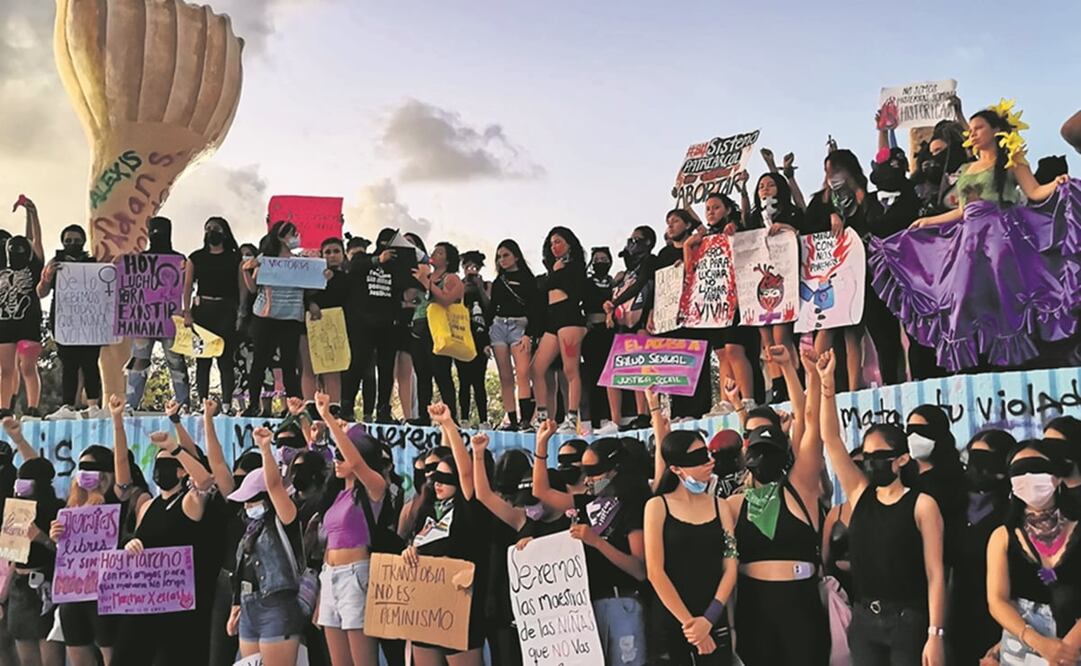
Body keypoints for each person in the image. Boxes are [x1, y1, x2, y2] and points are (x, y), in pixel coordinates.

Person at [871, 101, 1078, 373]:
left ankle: (1012, 359)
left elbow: (1034, 191)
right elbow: (962, 211)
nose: (973, 132)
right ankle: (977, 362)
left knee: (1004, 295)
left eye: (979, 127)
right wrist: (929, 220)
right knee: (962, 296)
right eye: (972, 128)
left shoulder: (1011, 160)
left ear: (995, 131)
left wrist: (1057, 183)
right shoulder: (968, 168)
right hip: (968, 241)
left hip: (1000, 237)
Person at [819, 350, 946, 666]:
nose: (871, 462)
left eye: (880, 456)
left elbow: (935, 573)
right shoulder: (861, 493)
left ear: (902, 459)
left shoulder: (922, 504)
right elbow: (830, 439)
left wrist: (935, 634)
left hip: (908, 620)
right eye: (867, 456)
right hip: (864, 619)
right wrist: (826, 387)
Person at [726, 348, 827, 666]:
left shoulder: (801, 489)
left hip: (801, 605)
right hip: (753, 608)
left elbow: (811, 424)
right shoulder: (733, 504)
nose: (762, 459)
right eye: (756, 452)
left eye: (770, 452)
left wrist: (798, 372)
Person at [532, 426, 649, 666]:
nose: (587, 479)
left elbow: (640, 569)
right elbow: (541, 491)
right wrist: (541, 445)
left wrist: (597, 542)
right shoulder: (589, 502)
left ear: (615, 468)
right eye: (584, 472)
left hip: (622, 602)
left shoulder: (635, 503)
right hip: (587, 607)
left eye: (594, 472)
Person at [110, 428, 213, 666]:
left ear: (181, 470)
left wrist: (174, 447)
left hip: (176, 606)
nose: (160, 469)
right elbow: (135, 538)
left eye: (167, 463)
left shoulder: (189, 502)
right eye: (158, 463)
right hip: (142, 602)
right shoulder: (148, 505)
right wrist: (130, 544)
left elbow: (205, 482)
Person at [472, 438, 571, 666]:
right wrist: (478, 454)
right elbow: (484, 495)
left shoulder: (573, 521)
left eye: (536, 501)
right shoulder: (522, 519)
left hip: (563, 619)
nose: (531, 508)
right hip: (524, 616)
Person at [403, 404, 489, 666]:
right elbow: (417, 546)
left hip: (459, 609)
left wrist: (448, 425)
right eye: (435, 477)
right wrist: (410, 552)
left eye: (445, 478)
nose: (438, 482)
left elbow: (465, 473)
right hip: (425, 610)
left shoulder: (469, 510)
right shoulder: (427, 511)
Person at [644, 428, 739, 665]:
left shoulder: (721, 506)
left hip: (713, 616)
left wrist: (708, 620)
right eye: (697, 459)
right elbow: (655, 572)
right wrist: (691, 625)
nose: (709, 462)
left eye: (707, 454)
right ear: (676, 468)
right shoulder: (657, 506)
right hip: (671, 621)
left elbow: (730, 566)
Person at [986, 440, 1081, 665]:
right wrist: (1038, 642)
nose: (1028, 477)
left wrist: (1068, 647)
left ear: (1057, 476)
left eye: (1037, 468)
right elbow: (997, 600)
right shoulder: (1002, 536)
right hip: (1021, 650)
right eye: (1019, 471)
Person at [312, 392, 388, 666]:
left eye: (341, 455)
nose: (337, 460)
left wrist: (328, 418)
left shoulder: (374, 488)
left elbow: (355, 462)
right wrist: (321, 595)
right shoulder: (336, 495)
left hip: (356, 575)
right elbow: (328, 543)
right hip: (330, 575)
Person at [225, 428, 304, 666]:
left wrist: (265, 449)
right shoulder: (250, 528)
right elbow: (243, 569)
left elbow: (275, 486)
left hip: (277, 605)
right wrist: (236, 605)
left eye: (251, 499)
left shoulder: (284, 519)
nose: (247, 506)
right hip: (249, 606)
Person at [803, 150, 876, 391]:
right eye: (827, 171)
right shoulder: (820, 201)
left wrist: (860, 201)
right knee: (826, 326)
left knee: (854, 330)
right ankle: (815, 385)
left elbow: (873, 226)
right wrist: (830, 216)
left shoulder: (864, 198)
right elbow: (808, 229)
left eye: (835, 170)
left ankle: (854, 388)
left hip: (857, 272)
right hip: (828, 274)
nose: (831, 176)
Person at [685, 192, 757, 410]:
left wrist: (735, 230)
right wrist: (688, 246)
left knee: (734, 349)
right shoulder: (704, 238)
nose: (711, 212)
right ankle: (727, 401)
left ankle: (748, 398)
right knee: (721, 353)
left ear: (727, 210)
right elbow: (690, 271)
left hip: (734, 300)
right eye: (707, 208)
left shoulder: (736, 228)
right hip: (711, 303)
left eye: (716, 207)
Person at [948, 429, 1014, 666]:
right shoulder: (954, 507)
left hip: (997, 621)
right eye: (972, 459)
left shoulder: (1011, 514)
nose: (976, 468)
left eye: (984, 460)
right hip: (957, 617)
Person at [4, 426, 64, 666]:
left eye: (26, 480)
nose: (20, 484)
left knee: (49, 656)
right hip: (19, 587)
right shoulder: (16, 509)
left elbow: (66, 553)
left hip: (44, 585)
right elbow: (11, 557)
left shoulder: (57, 508)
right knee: (26, 658)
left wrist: (42, 538)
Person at [744, 172, 804, 402]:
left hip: (786, 282)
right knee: (767, 340)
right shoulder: (754, 218)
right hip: (760, 286)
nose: (765, 189)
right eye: (761, 186)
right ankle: (778, 385)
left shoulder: (790, 213)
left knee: (782, 336)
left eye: (770, 185)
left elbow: (802, 234)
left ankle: (794, 380)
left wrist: (786, 228)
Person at [38, 224, 104, 420]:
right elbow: (40, 292)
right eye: (68, 241)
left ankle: (94, 406)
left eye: (76, 241)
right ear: (62, 242)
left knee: (90, 363)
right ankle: (67, 406)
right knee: (69, 364)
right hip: (64, 322)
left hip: (90, 321)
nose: (72, 244)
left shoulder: (93, 263)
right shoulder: (55, 263)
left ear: (83, 242)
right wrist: (47, 276)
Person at [124, 216, 191, 411]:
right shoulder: (140, 259)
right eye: (154, 231)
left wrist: (185, 271)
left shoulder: (180, 260)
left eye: (161, 231)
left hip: (170, 320)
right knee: (139, 360)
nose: (157, 235)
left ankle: (183, 404)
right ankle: (131, 404)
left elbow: (188, 286)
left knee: (176, 361)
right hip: (145, 319)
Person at [240, 222, 305, 417]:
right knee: (260, 361)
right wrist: (246, 270)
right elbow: (253, 288)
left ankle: (294, 407)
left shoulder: (301, 262)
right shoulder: (265, 260)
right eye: (293, 234)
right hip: (265, 316)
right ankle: (253, 404)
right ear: (281, 237)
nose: (296, 237)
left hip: (291, 316)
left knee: (289, 363)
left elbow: (310, 285)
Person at [532, 227, 588, 434]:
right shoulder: (553, 266)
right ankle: (542, 417)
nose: (554, 246)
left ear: (569, 244)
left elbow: (572, 289)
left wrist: (556, 273)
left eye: (558, 242)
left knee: (570, 369)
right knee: (537, 368)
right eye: (551, 243)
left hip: (569, 317)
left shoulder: (576, 266)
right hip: (552, 318)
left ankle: (572, 418)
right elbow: (543, 286)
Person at [657, 209, 711, 420]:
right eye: (668, 222)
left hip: (696, 313)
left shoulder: (700, 245)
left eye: (676, 221)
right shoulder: (664, 254)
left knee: (697, 360)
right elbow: (658, 287)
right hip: (671, 316)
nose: (670, 226)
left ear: (688, 224)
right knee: (676, 362)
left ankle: (698, 410)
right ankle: (678, 410)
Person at [183, 217, 241, 411]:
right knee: (203, 359)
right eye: (207, 228)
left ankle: (226, 404)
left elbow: (241, 285)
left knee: (225, 360)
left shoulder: (234, 257)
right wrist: (187, 312)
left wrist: (241, 311)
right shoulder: (196, 257)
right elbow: (188, 286)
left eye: (215, 228)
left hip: (226, 309)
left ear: (224, 232)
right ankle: (203, 403)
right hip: (203, 311)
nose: (211, 231)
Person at [603, 226, 657, 432]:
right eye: (629, 241)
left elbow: (642, 284)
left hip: (641, 320)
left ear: (647, 243)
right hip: (622, 323)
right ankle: (615, 420)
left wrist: (614, 303)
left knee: (641, 367)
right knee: (614, 370)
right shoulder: (624, 275)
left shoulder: (650, 262)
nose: (631, 246)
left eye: (636, 240)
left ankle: (644, 413)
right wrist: (610, 306)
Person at [343, 228, 399, 423]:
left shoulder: (396, 266)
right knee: (357, 365)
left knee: (386, 368)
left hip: (388, 324)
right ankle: (347, 407)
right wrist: (377, 260)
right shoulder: (363, 259)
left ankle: (383, 409)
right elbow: (355, 266)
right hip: (362, 323)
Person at [409, 242, 464, 425]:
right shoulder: (425, 275)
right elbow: (412, 299)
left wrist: (427, 283)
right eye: (434, 250)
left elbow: (446, 300)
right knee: (422, 374)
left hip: (438, 330)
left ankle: (451, 417)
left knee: (441, 373)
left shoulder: (451, 278)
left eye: (440, 253)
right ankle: (423, 416)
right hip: (419, 326)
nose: (434, 254)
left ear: (448, 260)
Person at [0, 196, 45, 418]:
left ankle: (33, 407)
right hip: (5, 324)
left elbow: (34, 240)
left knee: (27, 367)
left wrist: (32, 213)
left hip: (28, 323)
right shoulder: (2, 270)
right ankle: (5, 408)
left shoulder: (33, 266)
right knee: (5, 370)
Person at [487, 240, 538, 431]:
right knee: (505, 376)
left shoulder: (528, 279)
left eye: (506, 255)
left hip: (520, 326)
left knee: (523, 373)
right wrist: (485, 337)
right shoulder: (499, 281)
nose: (502, 260)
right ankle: (511, 420)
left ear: (516, 256)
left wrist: (529, 334)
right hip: (499, 326)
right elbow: (492, 308)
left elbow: (534, 308)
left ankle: (526, 419)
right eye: (499, 257)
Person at [301, 238, 350, 404]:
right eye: (328, 252)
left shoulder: (348, 278)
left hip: (336, 327)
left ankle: (333, 406)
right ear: (321, 255)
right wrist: (311, 302)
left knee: (333, 368)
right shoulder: (311, 275)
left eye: (336, 251)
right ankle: (309, 404)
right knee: (308, 366)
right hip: (310, 325)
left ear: (343, 254)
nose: (332, 255)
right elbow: (302, 295)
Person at [582, 246, 615, 432]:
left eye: (604, 259)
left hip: (611, 331)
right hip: (592, 332)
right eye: (597, 260)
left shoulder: (614, 283)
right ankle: (596, 420)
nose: (600, 262)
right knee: (594, 376)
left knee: (611, 374)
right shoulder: (586, 283)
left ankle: (612, 417)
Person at [456, 251, 490, 425]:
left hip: (481, 338)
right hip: (462, 337)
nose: (470, 270)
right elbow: (455, 305)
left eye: (474, 267)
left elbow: (490, 307)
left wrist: (480, 287)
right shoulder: (458, 285)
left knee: (479, 381)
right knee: (464, 381)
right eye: (467, 266)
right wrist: (464, 287)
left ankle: (484, 419)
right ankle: (464, 418)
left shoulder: (486, 285)